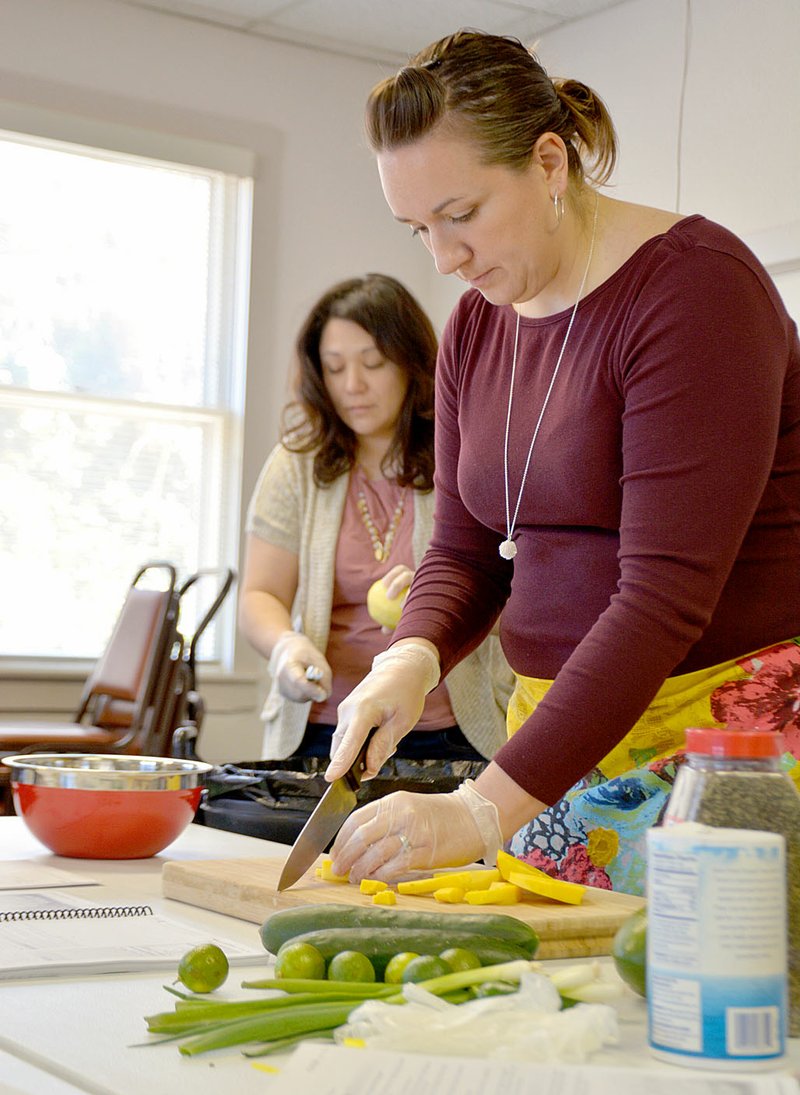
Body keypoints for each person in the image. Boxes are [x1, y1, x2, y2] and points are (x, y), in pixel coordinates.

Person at [326, 30, 800, 894]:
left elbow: (660, 600)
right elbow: (467, 550)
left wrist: (481, 808)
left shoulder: (697, 293)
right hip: (558, 735)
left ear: (550, 163)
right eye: (417, 228)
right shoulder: (478, 324)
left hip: (718, 746)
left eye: (461, 214)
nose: (443, 257)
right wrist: (412, 654)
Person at [239, 272, 512, 769]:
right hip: (324, 730)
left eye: (373, 363)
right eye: (334, 367)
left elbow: (514, 593)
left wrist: (438, 598)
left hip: (450, 733)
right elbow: (261, 596)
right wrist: (286, 646)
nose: (353, 386)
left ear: (412, 364)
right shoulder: (296, 464)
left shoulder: (467, 457)